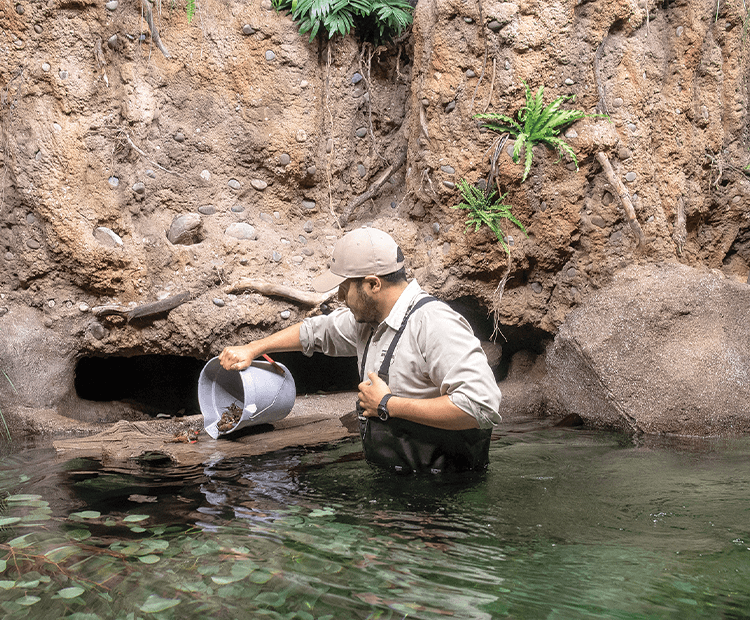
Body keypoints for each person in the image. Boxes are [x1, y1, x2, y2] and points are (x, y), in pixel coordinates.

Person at [219, 227, 502, 474]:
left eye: (344, 288)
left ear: (372, 284)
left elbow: (480, 406)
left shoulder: (433, 324)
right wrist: (254, 348)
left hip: (446, 494)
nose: (340, 298)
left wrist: (388, 404)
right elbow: (315, 332)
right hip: (397, 483)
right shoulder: (368, 321)